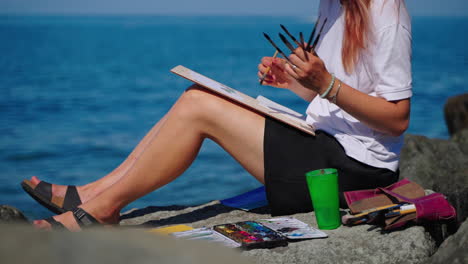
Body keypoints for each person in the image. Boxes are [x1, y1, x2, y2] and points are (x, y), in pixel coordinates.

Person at [23, 0, 412, 230]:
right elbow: (334, 96)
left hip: (352, 172)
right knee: (198, 94)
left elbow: (396, 119)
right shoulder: (334, 6)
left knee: (199, 105)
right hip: (321, 143)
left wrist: (324, 83)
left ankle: (101, 209)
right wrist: (295, 84)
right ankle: (93, 195)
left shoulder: (385, 9)